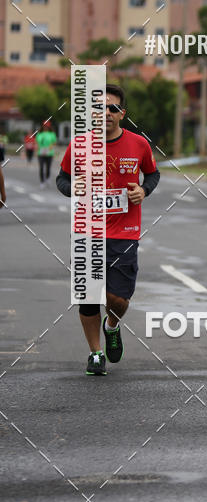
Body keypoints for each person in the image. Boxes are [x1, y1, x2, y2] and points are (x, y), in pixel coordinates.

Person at [56, 84, 160, 376]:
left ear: (122, 113)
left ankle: (112, 325)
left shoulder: (139, 144)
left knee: (118, 299)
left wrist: (143, 190)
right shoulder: (79, 145)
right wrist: (72, 188)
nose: (106, 113)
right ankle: (95, 353)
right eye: (99, 108)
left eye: (112, 108)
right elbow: (62, 179)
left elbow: (153, 174)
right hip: (87, 232)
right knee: (88, 296)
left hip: (124, 232)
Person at [36, 120, 57, 187]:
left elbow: (54, 142)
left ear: (49, 126)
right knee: (41, 167)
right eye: (45, 126)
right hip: (41, 153)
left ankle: (47, 178)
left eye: (47, 126)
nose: (46, 127)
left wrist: (51, 146)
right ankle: (42, 181)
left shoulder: (52, 134)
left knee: (48, 167)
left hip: (49, 153)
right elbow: (36, 143)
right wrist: (36, 148)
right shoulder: (39, 134)